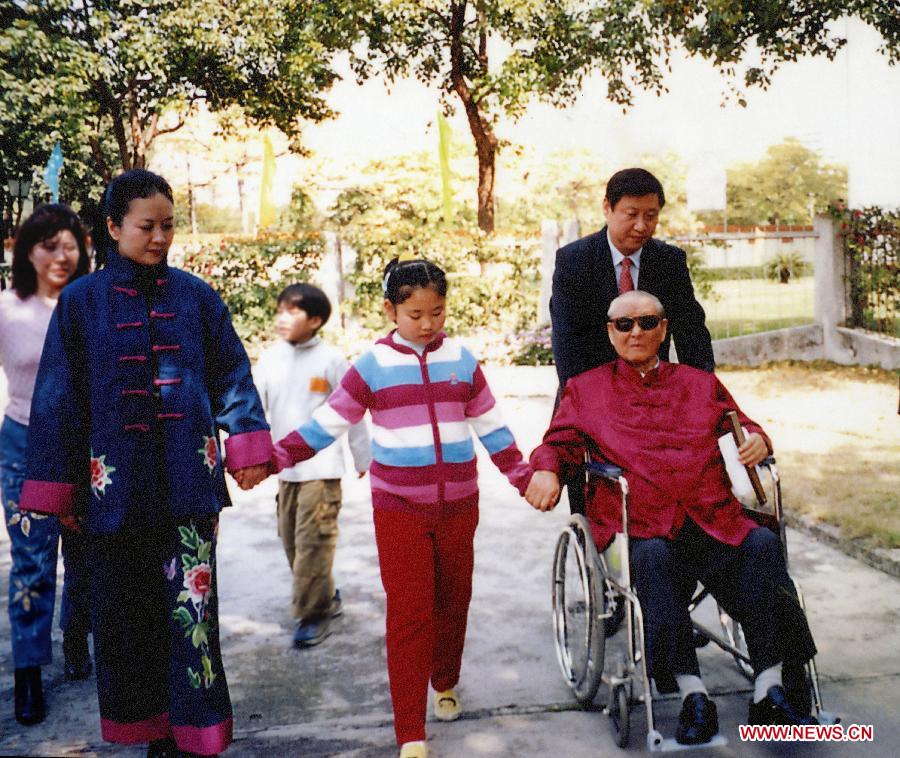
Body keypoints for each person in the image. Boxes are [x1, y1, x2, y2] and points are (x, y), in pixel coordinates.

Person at [20, 169, 272, 757]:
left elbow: (231, 372)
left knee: (192, 611)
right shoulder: (81, 304)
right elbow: (58, 397)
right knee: (126, 619)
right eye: (145, 226)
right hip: (111, 493)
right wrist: (59, 493)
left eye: (168, 226)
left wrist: (247, 442)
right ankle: (151, 731)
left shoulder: (197, 296)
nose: (159, 238)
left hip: (189, 486)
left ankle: (196, 734)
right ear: (112, 227)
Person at [248, 256, 536, 758]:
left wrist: (522, 475)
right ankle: (411, 733)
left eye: (438, 313)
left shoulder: (463, 360)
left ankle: (445, 679)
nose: (427, 325)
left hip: (460, 506)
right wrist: (274, 459)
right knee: (409, 613)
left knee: (455, 599)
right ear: (390, 310)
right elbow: (328, 424)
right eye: (415, 315)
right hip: (399, 508)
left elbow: (491, 426)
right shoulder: (372, 366)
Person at [526, 290, 818, 745]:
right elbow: (557, 444)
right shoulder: (585, 389)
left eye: (647, 322)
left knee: (762, 544)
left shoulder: (699, 383)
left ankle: (769, 686)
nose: (636, 332)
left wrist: (760, 439)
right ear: (610, 332)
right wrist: (545, 469)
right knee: (655, 560)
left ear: (664, 329)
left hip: (710, 517)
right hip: (640, 523)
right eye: (624, 325)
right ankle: (691, 693)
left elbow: (743, 424)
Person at [550, 167, 714, 514]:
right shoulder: (574, 261)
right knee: (597, 502)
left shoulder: (669, 261)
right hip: (593, 399)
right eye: (632, 215)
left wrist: (703, 395)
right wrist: (592, 405)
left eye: (651, 216)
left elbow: (691, 333)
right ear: (607, 208)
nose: (642, 226)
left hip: (657, 400)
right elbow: (568, 344)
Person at [0, 204, 94, 726]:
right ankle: (30, 672)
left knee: (87, 553)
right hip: (24, 446)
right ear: (27, 251)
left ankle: (77, 636)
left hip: (85, 447)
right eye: (48, 245)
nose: (61, 256)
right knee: (34, 561)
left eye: (70, 245)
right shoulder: (7, 308)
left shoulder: (89, 304)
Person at [254, 282, 371, 648]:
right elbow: (256, 410)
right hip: (285, 469)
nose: (282, 318)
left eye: (293, 311)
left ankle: (313, 615)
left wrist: (361, 455)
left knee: (313, 543)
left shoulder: (332, 360)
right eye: (280, 310)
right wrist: (252, 456)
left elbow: (353, 410)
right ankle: (326, 594)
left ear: (316, 320)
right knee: (291, 540)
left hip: (322, 470)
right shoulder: (270, 358)